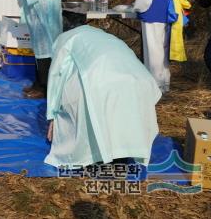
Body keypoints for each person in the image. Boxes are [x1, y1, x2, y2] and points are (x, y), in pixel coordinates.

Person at [45, 25, 161, 167]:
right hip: (140, 81)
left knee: (85, 101)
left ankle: (98, 154)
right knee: (125, 111)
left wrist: (52, 114)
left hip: (99, 78)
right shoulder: (109, 38)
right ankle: (123, 151)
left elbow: (56, 74)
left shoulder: (66, 38)